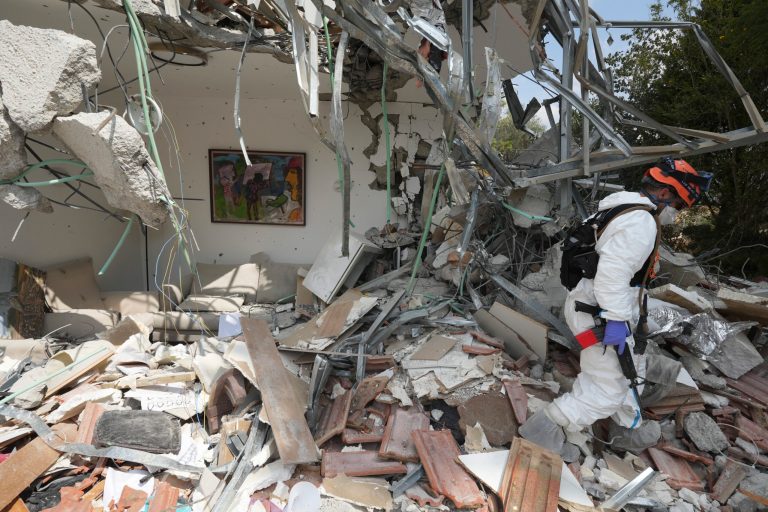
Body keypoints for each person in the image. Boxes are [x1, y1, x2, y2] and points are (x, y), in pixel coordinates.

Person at [519, 158, 711, 452]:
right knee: (608, 389)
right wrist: (617, 320)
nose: (676, 213)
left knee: (627, 374)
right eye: (678, 205)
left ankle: (625, 432)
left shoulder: (620, 208)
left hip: (594, 308)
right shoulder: (641, 221)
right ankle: (542, 431)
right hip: (598, 316)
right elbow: (612, 275)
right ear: (664, 194)